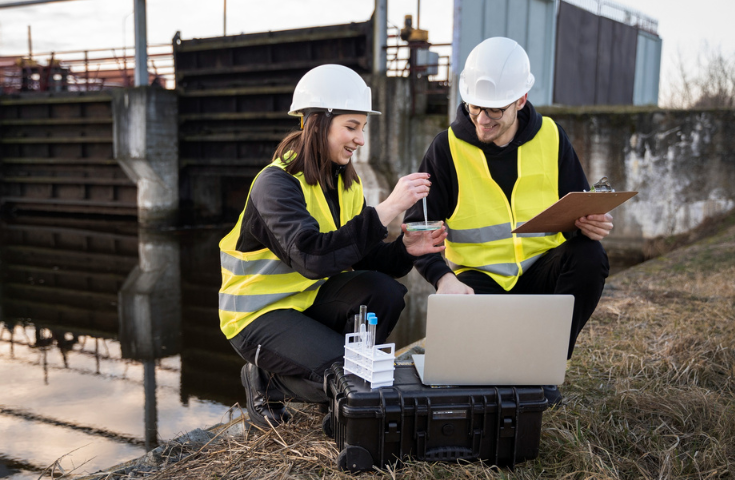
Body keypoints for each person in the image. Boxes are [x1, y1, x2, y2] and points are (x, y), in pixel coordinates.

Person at [219, 64, 446, 429]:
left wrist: (406, 249)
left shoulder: (345, 185)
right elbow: (311, 257)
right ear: (317, 123)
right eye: (351, 127)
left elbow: (364, 257)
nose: (359, 139)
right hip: (257, 316)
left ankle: (342, 395)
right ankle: (265, 380)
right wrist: (387, 208)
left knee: (385, 291)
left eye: (363, 129)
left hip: (308, 302)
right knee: (346, 374)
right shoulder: (275, 185)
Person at [404, 37, 612, 405]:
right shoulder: (446, 148)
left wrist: (591, 223)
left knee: (590, 255)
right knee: (472, 373)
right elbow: (419, 227)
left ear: (520, 100)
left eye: (496, 110)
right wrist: (443, 278)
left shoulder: (551, 138)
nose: (483, 119)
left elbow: (577, 209)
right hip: (478, 282)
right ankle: (502, 370)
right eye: (476, 107)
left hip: (541, 272)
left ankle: (543, 366)